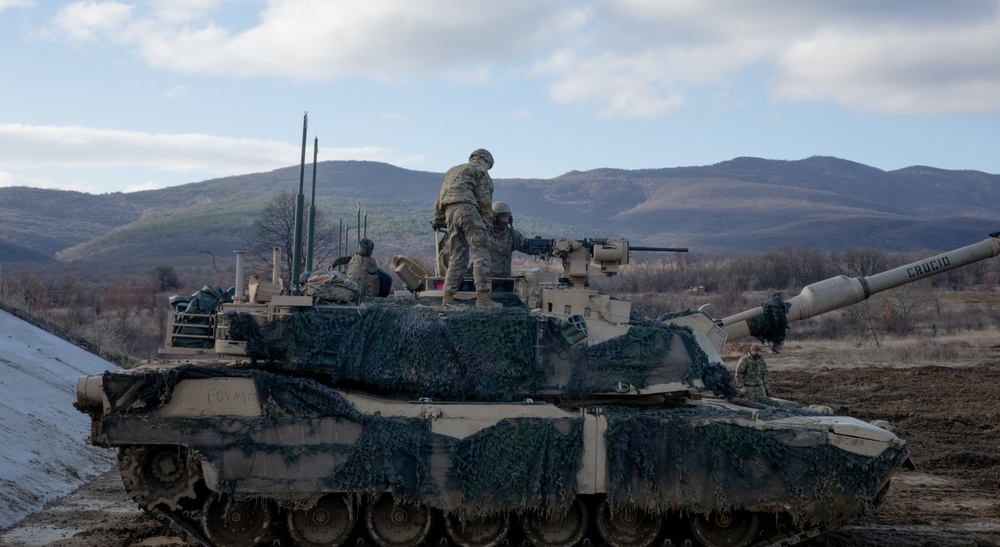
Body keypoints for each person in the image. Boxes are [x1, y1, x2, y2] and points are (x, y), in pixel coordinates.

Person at [432, 149, 498, 307]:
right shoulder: (480, 171)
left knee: (457, 256)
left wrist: (438, 219)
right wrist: (486, 225)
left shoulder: (452, 171)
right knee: (480, 250)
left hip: (450, 213)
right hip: (468, 210)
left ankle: (447, 299)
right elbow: (485, 200)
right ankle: (483, 298)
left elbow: (440, 198)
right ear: (486, 161)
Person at [465, 201, 529, 278]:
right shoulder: (482, 232)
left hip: (501, 279)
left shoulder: (513, 235)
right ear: (494, 218)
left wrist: (541, 248)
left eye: (507, 218)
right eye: (503, 218)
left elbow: (526, 246)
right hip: (478, 277)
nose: (505, 221)